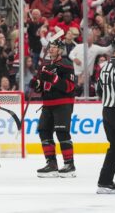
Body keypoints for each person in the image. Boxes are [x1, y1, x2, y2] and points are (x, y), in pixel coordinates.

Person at [29, 39, 76, 178]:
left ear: (61, 50)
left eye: (54, 47)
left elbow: (70, 87)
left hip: (62, 103)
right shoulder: (45, 65)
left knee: (62, 132)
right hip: (47, 104)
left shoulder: (66, 64)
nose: (51, 49)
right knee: (43, 131)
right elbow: (43, 86)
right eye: (50, 47)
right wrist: (36, 84)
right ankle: (52, 164)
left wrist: (52, 78)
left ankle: (69, 164)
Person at [96, 34, 115, 194]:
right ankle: (104, 181)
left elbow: (99, 90)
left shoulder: (105, 66)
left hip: (107, 110)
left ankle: (104, 182)